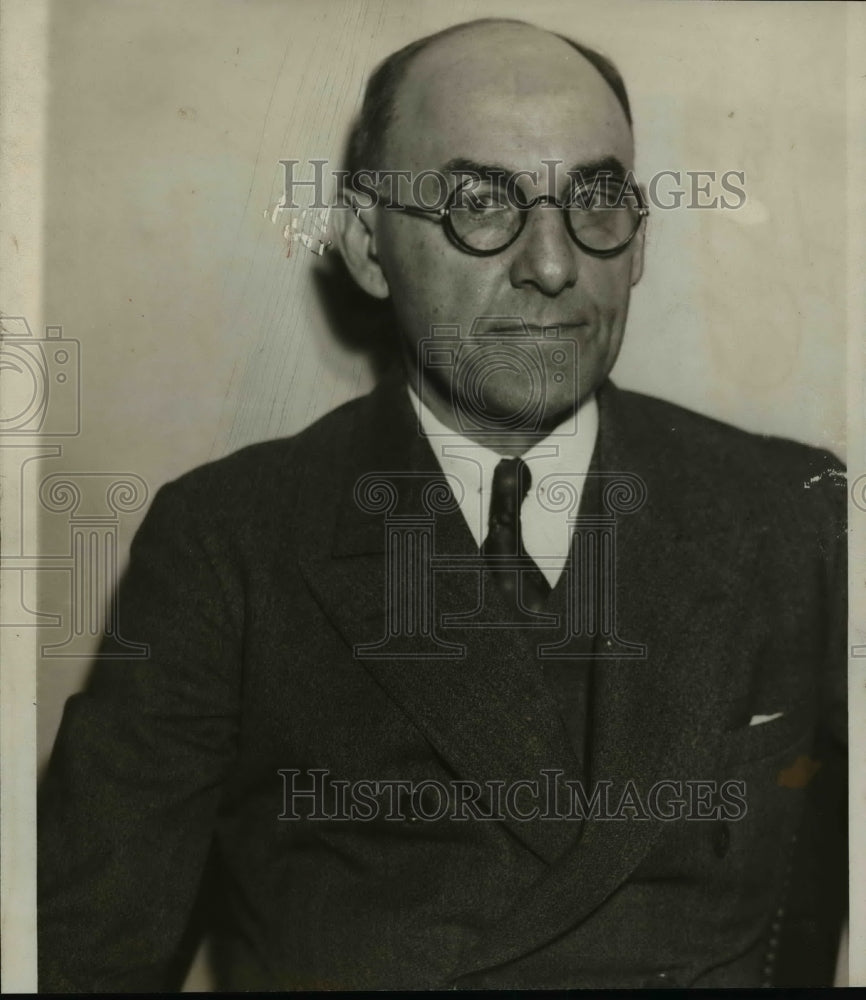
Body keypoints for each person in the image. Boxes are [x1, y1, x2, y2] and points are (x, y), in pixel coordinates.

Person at [38, 18, 847, 991]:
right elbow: (84, 957)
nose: (552, 265)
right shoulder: (231, 543)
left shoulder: (793, 514)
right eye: (478, 203)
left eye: (592, 200)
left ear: (636, 241)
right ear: (368, 248)